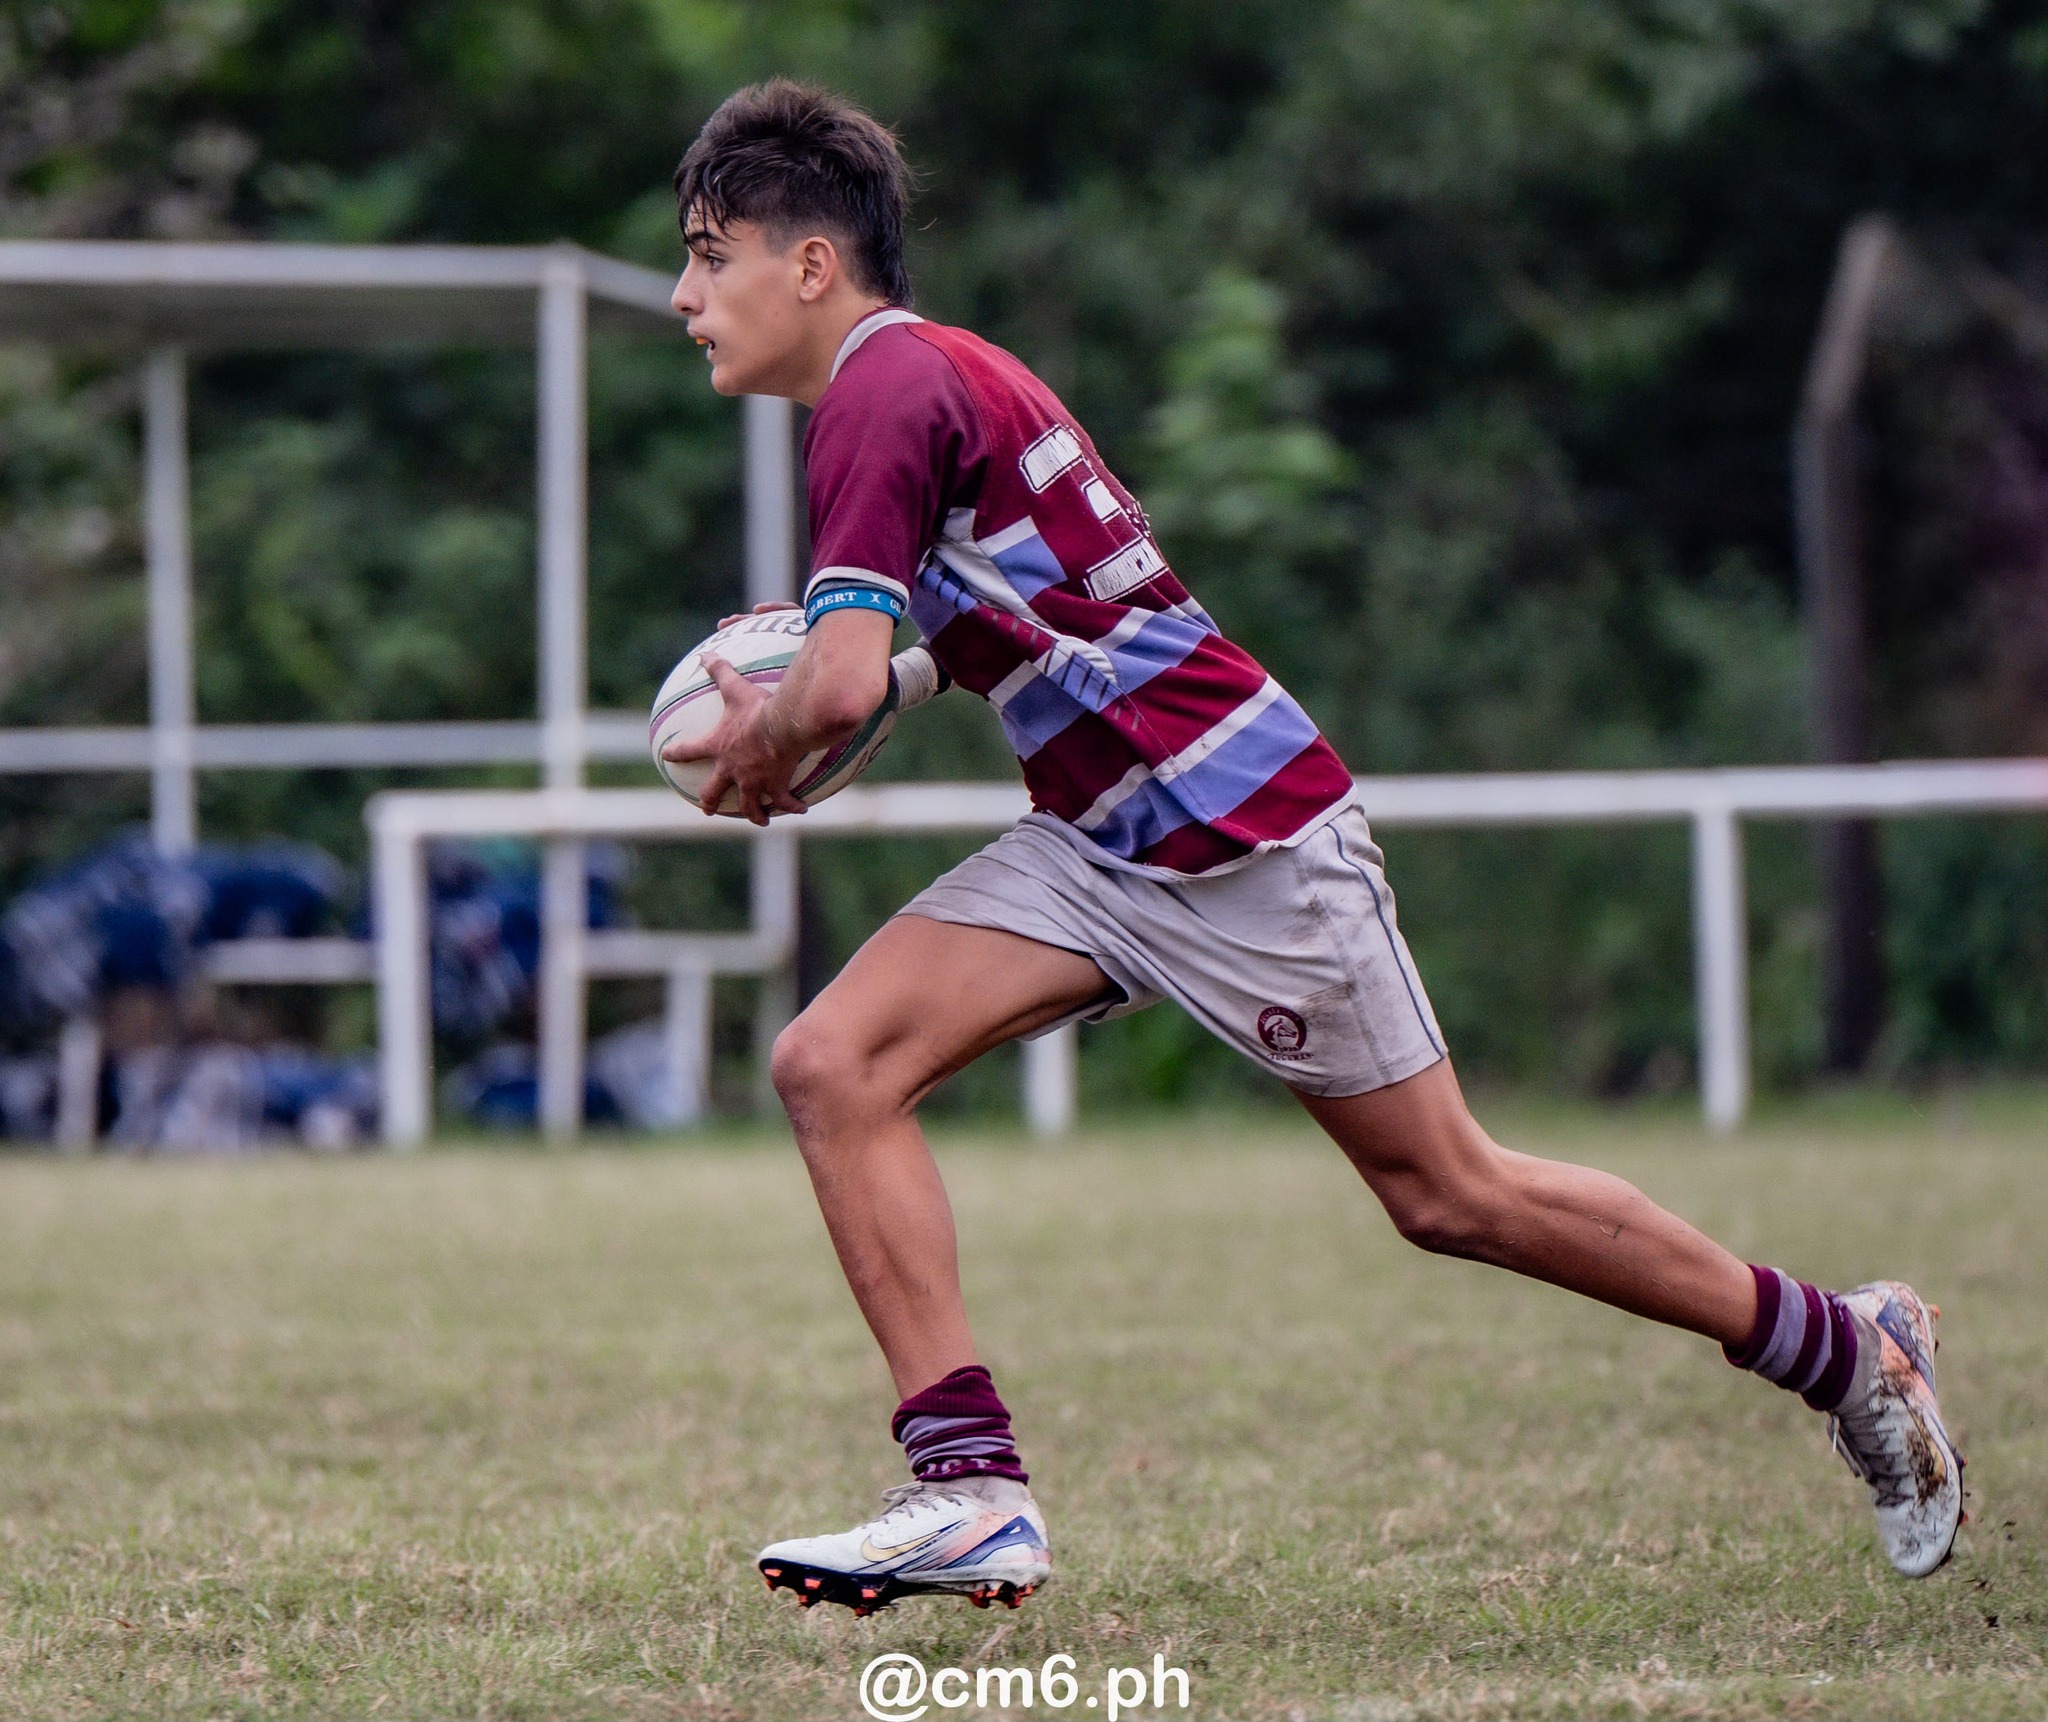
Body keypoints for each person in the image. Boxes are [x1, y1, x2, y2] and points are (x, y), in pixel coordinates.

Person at [660, 78, 1963, 1615]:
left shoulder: (882, 389)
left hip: (1238, 830)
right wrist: (832, 706)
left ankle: (1845, 1345)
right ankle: (969, 1488)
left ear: (812, 264)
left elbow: (839, 677)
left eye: (707, 253)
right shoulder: (932, 382)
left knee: (1450, 1193)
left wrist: (773, 737)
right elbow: (1014, 615)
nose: (686, 297)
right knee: (834, 1064)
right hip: (1103, 834)